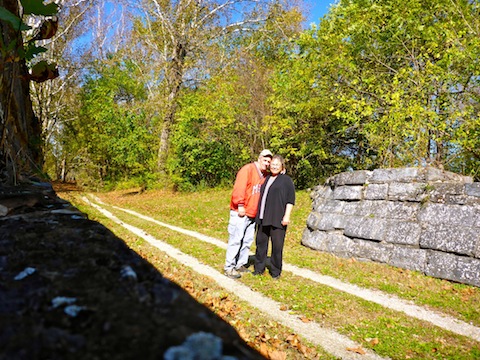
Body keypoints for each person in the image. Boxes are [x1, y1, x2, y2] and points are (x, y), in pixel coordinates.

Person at [224, 149, 273, 279]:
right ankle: (229, 267)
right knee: (236, 240)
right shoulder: (248, 169)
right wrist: (240, 204)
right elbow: (239, 187)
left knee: (247, 241)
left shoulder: (264, 175)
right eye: (265, 160)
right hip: (241, 212)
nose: (267, 163)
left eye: (269, 161)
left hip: (252, 214)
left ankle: (240, 264)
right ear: (259, 158)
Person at [253, 155, 295, 279]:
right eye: (273, 164)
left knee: (277, 247)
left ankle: (275, 271)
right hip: (262, 218)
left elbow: (290, 200)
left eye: (277, 164)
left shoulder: (286, 180)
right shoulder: (266, 178)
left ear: (282, 167)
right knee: (261, 245)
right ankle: (258, 269)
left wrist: (286, 216)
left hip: (278, 219)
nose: (274, 166)